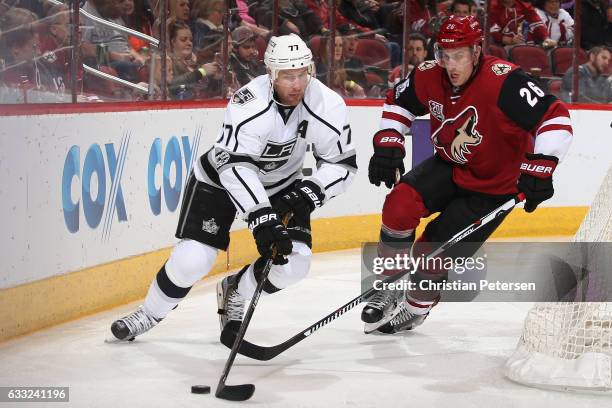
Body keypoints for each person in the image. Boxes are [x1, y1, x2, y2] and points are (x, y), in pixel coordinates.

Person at [110, 33, 357, 341]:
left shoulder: (327, 104)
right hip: (220, 181)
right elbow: (235, 167)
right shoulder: (249, 103)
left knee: (294, 265)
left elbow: (342, 164)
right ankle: (149, 313)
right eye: (287, 76)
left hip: (282, 185)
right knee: (192, 261)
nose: (296, 84)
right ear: (270, 73)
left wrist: (311, 192)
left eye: (301, 73)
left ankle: (235, 291)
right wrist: (262, 217)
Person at [362, 15, 572, 334]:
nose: (451, 65)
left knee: (431, 251)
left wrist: (542, 164)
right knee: (399, 205)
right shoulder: (428, 74)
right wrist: (389, 138)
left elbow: (555, 117)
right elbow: (399, 103)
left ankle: (416, 307)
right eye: (445, 55)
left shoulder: (504, 81)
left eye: (459, 55)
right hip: (450, 165)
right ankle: (389, 283)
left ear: (477, 52)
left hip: (494, 189)